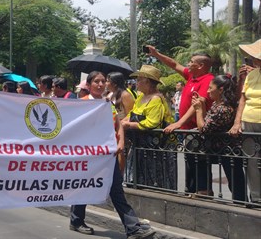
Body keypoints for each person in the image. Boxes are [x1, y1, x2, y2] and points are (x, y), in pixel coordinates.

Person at [70, 77, 155, 239]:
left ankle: (133, 228)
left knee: (116, 189)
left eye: (103, 81)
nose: (101, 84)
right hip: (88, 155)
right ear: (88, 85)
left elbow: (118, 124)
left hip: (107, 155)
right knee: (84, 186)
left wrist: (121, 142)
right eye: (96, 81)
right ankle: (76, 220)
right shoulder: (81, 104)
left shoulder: (107, 103)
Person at [147, 45, 214, 195]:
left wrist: (179, 122)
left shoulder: (208, 79)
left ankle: (204, 192)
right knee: (190, 161)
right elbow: (174, 64)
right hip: (187, 131)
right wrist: (157, 54)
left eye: (191, 62)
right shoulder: (191, 77)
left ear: (201, 65)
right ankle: (192, 191)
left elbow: (198, 104)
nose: (188, 64)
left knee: (200, 162)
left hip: (197, 130)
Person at [121, 65, 176, 190]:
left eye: (139, 79)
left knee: (153, 179)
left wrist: (129, 125)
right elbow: (132, 113)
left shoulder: (156, 99)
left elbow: (152, 122)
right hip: (140, 144)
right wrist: (121, 122)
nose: (136, 82)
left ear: (148, 82)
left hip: (154, 146)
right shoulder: (141, 97)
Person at [193, 75, 245, 201]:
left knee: (235, 182)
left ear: (221, 90)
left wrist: (199, 110)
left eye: (211, 88)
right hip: (218, 148)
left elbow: (204, 129)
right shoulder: (218, 105)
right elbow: (208, 123)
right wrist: (203, 107)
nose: (208, 91)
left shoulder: (223, 108)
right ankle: (205, 190)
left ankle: (241, 204)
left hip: (227, 149)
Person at [229, 39, 261, 207]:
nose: (253, 60)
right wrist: (237, 122)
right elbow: (242, 99)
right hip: (249, 122)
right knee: (251, 161)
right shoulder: (252, 75)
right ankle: (256, 198)